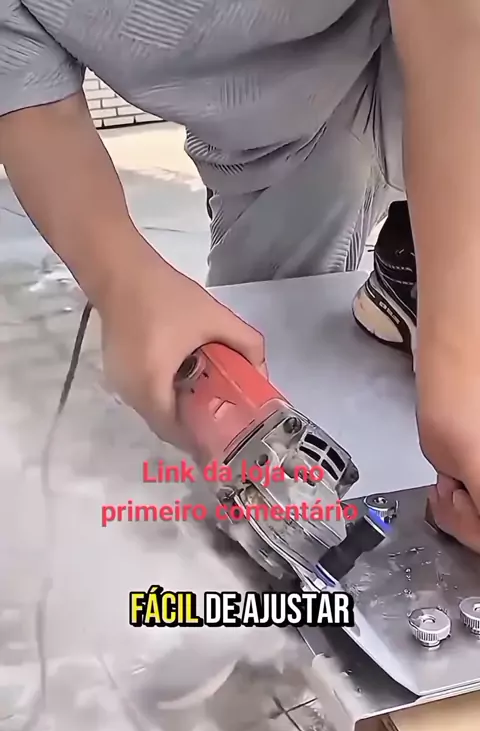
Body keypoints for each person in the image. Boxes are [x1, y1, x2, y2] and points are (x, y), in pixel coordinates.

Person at [0, 0, 479, 551]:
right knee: (263, 374)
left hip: (437, 54)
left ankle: (425, 271)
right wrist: (124, 280)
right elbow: (28, 95)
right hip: (267, 139)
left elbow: (454, 26)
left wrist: (457, 350)